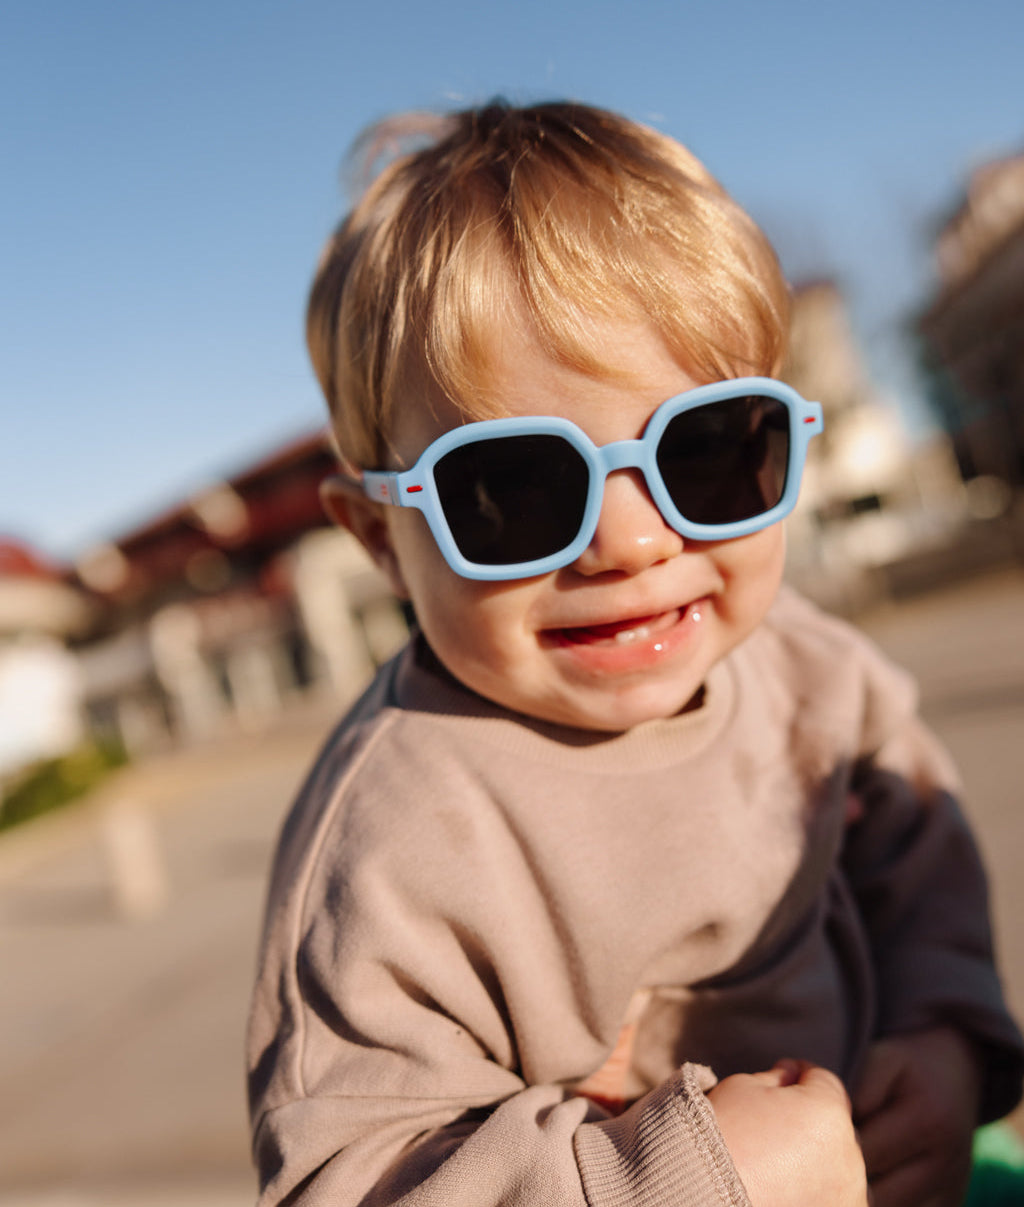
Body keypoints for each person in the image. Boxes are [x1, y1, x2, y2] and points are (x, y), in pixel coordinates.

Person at [246, 100, 1023, 1207]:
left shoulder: (811, 669)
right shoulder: (394, 842)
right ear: (380, 538)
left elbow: (920, 864)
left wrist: (944, 1041)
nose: (634, 540)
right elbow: (357, 1179)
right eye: (514, 488)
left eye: (707, 451)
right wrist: (680, 1183)